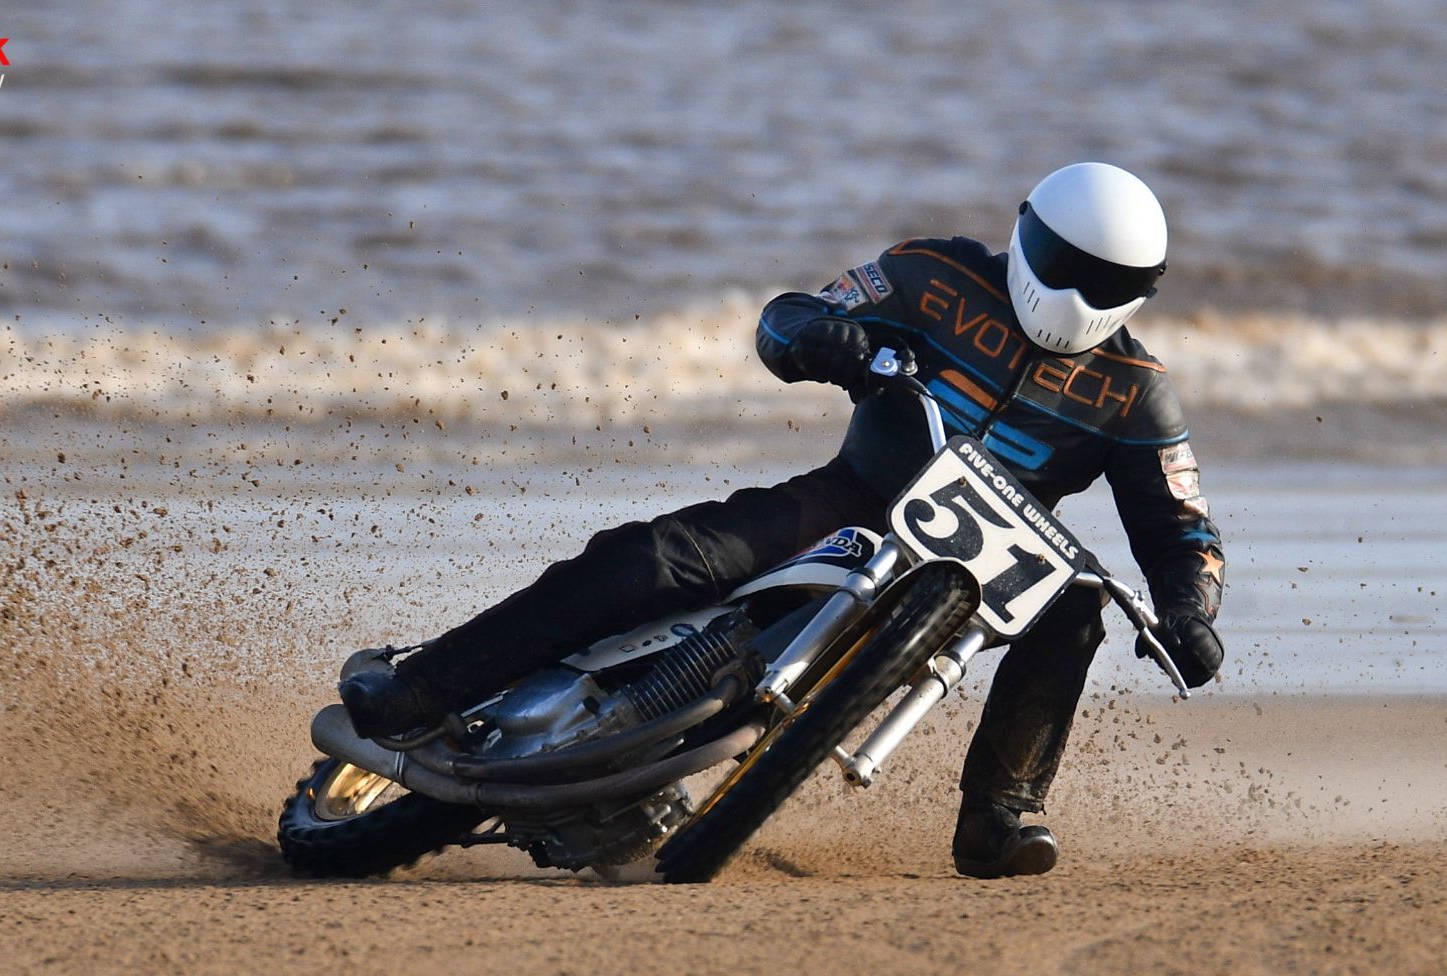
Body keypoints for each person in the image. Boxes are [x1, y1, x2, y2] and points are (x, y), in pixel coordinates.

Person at [341, 162, 1226, 878]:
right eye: (1064, 263)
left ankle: (1003, 814)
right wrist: (822, 338)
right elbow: (790, 314)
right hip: (847, 500)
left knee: (1077, 608)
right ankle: (422, 688)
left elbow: (1181, 528)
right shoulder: (937, 274)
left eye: (1107, 282)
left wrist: (1191, 609)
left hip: (985, 576)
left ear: (1142, 292)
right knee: (649, 559)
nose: (1076, 292)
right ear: (1026, 232)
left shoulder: (1137, 393)